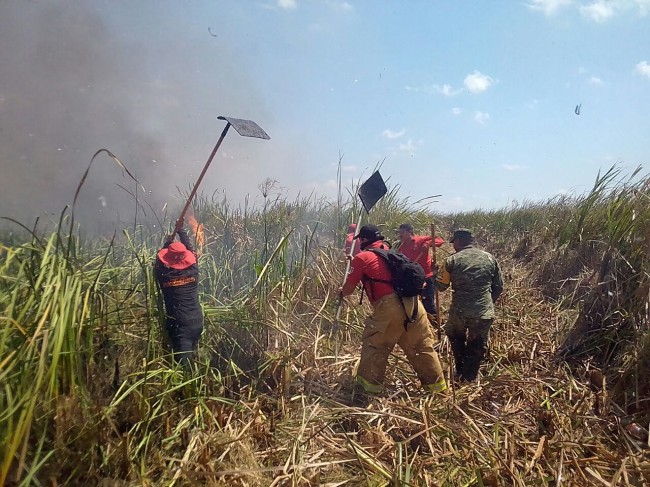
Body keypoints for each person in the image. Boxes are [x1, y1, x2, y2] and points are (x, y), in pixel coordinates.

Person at [341, 224, 447, 398]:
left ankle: (367, 393)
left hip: (390, 307)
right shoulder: (393, 253)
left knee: (376, 346)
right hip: (414, 304)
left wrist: (341, 288)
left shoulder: (362, 257)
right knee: (421, 347)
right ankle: (438, 392)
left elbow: (348, 290)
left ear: (364, 239)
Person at [437, 229, 504, 382]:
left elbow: (441, 286)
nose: (454, 246)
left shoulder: (451, 260)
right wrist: (487, 303)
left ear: (459, 241)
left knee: (455, 337)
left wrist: (436, 274)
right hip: (483, 311)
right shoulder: (490, 258)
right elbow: (499, 286)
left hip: (459, 311)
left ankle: (460, 372)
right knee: (478, 343)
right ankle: (470, 377)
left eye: (454, 242)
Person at [155, 218, 203, 366]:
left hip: (181, 328)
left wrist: (168, 243)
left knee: (183, 370)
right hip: (197, 322)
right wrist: (181, 230)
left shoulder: (164, 276)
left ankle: (188, 387)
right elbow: (192, 251)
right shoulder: (193, 270)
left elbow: (157, 262)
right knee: (193, 359)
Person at [397, 223, 444, 323]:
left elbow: (440, 240)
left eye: (402, 233)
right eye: (399, 233)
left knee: (428, 304)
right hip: (412, 280)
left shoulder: (421, 240)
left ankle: (436, 325)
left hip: (426, 277)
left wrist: (428, 244)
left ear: (410, 232)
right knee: (413, 305)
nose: (400, 235)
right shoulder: (401, 248)